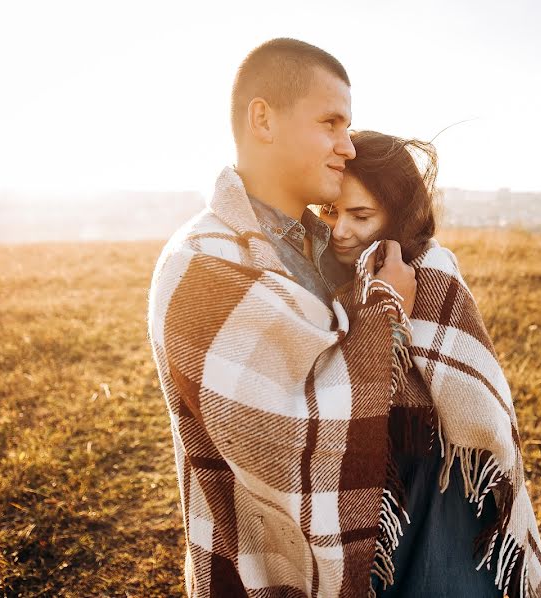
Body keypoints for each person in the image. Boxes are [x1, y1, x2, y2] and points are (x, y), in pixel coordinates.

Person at [147, 40, 418, 597]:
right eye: (330, 122)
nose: (347, 146)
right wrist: (385, 312)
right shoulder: (201, 263)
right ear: (263, 118)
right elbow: (286, 432)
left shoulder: (329, 246)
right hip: (258, 574)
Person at [318, 130, 541, 597]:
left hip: (437, 486)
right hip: (353, 483)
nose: (340, 229)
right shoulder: (314, 270)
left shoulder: (433, 272)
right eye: (330, 211)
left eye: (360, 215)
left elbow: (478, 406)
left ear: (398, 213)